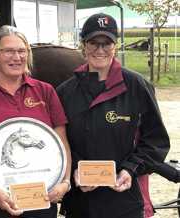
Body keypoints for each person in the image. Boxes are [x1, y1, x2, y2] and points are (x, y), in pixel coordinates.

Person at [56, 13, 170, 218]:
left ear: (115, 46)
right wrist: (73, 171)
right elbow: (58, 143)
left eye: (106, 43)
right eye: (93, 43)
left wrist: (130, 169)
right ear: (83, 45)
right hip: (80, 202)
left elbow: (156, 141)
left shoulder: (137, 86)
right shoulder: (65, 92)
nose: (100, 50)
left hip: (123, 201)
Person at [0, 25, 72, 218]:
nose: (16, 57)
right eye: (8, 51)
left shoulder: (45, 91)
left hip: (38, 200)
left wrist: (65, 182)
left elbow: (61, 144)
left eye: (21, 51)